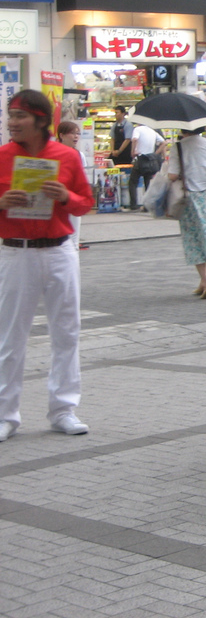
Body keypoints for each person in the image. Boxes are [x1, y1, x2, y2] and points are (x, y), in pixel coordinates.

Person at [0, 90, 94, 442]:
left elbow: (85, 203)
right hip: (15, 252)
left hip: (59, 250)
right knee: (10, 337)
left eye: (20, 116)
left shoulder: (67, 157)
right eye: (10, 115)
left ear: (41, 120)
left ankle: (63, 409)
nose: (12, 122)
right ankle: (6, 414)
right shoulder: (2, 156)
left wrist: (66, 197)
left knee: (67, 331)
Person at [167, 126, 206, 299]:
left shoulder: (178, 147)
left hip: (190, 197)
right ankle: (203, 281)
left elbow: (173, 175)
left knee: (194, 239)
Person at [57, 121, 90, 250]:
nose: (76, 136)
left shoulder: (79, 155)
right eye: (72, 133)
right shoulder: (53, 153)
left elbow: (83, 178)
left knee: (74, 237)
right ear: (62, 135)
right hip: (57, 200)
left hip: (73, 198)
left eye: (78, 133)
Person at [127, 122, 166, 210]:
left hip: (140, 159)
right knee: (147, 182)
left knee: (133, 182)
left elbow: (135, 139)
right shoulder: (152, 131)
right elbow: (163, 142)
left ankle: (133, 204)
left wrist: (133, 151)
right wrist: (155, 154)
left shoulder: (137, 129)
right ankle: (147, 206)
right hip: (150, 160)